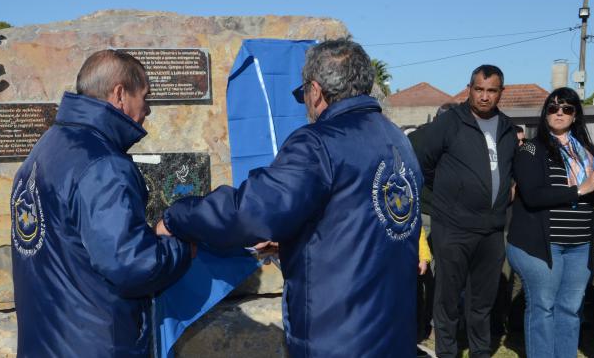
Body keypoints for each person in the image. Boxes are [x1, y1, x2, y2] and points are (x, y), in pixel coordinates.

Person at [157, 38, 422, 357]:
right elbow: (358, 223)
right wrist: (294, 243)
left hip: (339, 337)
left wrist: (177, 216)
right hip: (392, 331)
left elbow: (251, 212)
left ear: (316, 90)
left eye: (303, 96)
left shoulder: (320, 143)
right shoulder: (396, 139)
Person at [10, 50, 193, 357]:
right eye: (145, 97)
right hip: (96, 344)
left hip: (46, 342)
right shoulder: (102, 164)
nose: (148, 109)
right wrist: (183, 248)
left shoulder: (46, 148)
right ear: (120, 93)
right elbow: (129, 264)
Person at [412, 65, 517, 358]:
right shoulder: (449, 123)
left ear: (501, 93)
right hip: (453, 227)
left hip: (492, 230)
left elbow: (508, 170)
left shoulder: (507, 128)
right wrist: (452, 193)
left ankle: (480, 352)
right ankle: (447, 353)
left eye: (491, 90)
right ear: (469, 88)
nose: (484, 97)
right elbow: (424, 164)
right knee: (447, 302)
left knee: (482, 303)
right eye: (479, 89)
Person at [506, 87, 594, 357]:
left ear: (575, 115)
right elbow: (532, 194)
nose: (559, 113)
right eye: (553, 108)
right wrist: (579, 189)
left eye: (567, 108)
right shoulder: (530, 148)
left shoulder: (585, 152)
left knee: (571, 309)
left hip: (579, 246)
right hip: (542, 245)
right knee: (543, 307)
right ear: (545, 114)